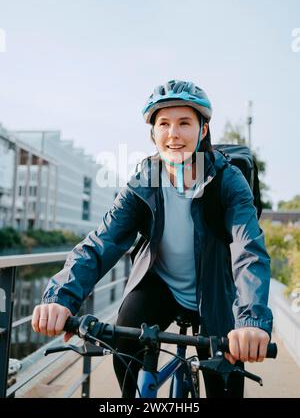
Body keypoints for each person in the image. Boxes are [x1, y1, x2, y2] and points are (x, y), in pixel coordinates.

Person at [32, 79, 273, 398]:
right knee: (124, 344)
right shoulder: (143, 181)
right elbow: (101, 242)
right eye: (164, 124)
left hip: (215, 290)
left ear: (202, 131)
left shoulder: (228, 180)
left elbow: (249, 252)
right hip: (160, 285)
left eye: (184, 122)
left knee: (225, 380)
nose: (173, 133)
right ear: (153, 133)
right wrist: (59, 298)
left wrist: (251, 320)